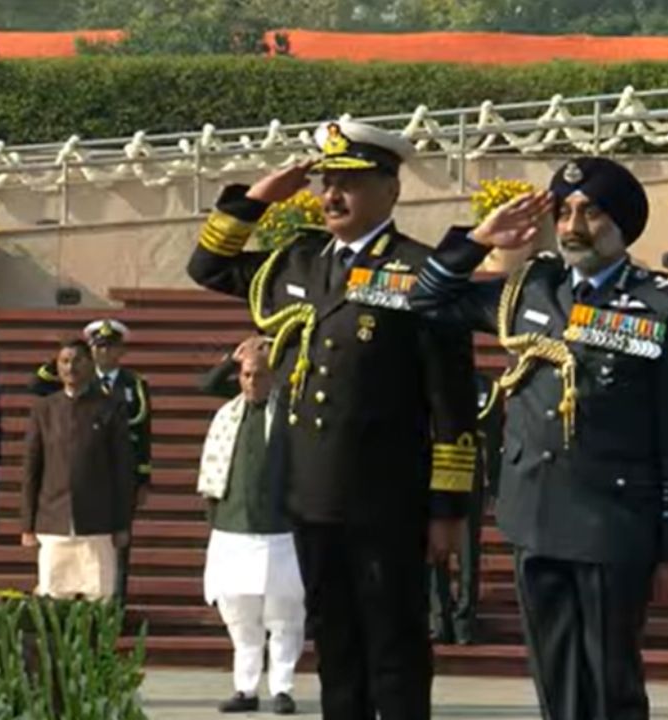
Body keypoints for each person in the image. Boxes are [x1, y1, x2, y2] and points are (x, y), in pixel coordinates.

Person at [187, 120, 478, 720]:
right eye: (325, 183)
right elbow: (208, 267)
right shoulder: (298, 262)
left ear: (390, 191)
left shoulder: (420, 270)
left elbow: (451, 403)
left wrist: (449, 508)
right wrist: (261, 196)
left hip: (386, 499)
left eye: (350, 183)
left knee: (393, 646)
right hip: (309, 494)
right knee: (337, 645)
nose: (332, 196)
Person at [410, 157, 668, 720]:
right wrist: (478, 239)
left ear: (622, 225)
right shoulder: (529, 289)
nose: (573, 226)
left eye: (590, 213)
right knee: (555, 677)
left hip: (611, 521)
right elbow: (427, 300)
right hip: (535, 513)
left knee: (610, 679)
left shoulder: (662, 304)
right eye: (565, 212)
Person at [197, 338, 304, 715]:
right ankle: (245, 689)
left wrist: (281, 350)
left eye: (259, 375)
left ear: (273, 377)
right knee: (241, 617)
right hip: (233, 528)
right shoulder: (230, 413)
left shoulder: (289, 411)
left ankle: (282, 688)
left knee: (284, 615)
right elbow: (206, 385)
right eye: (246, 375)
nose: (251, 382)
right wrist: (233, 358)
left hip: (279, 531)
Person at [30, 318, 152, 600]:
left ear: (121, 350)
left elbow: (143, 430)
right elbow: (37, 384)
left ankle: (115, 603)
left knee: (115, 546)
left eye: (111, 347)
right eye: (98, 347)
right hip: (76, 478)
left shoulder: (134, 384)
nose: (104, 353)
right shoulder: (78, 379)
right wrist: (64, 356)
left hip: (117, 472)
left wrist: (143, 477)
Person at [429, 371, 505, 645]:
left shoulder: (486, 386)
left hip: (468, 468)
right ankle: (439, 618)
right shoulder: (426, 377)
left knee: (468, 550)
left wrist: (495, 482)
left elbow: (494, 437)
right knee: (434, 550)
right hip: (432, 466)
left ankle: (464, 621)